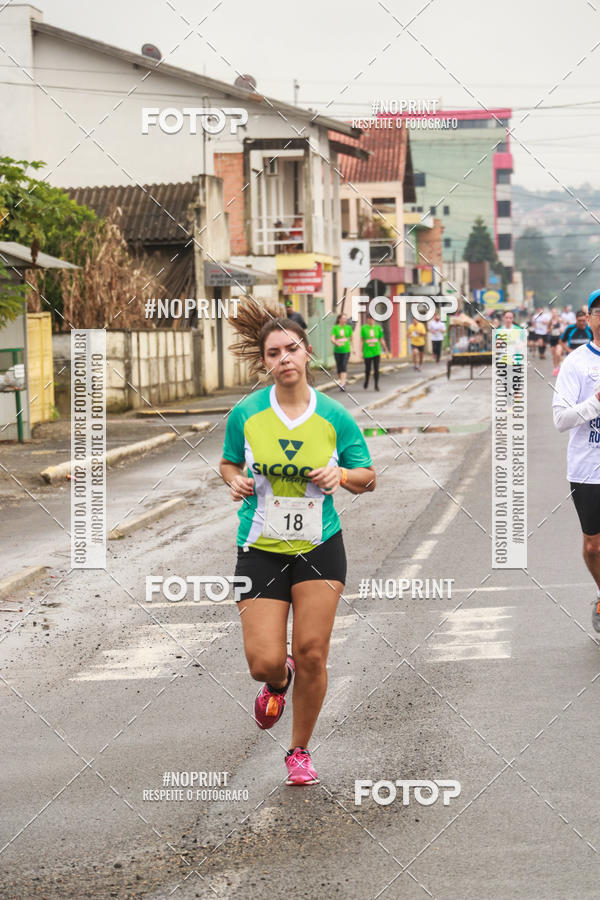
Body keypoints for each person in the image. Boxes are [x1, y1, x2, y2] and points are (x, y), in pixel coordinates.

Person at [220, 300, 376, 785]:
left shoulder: (334, 416)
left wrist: (341, 475)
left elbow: (369, 477)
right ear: (263, 362)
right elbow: (228, 462)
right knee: (262, 661)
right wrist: (234, 480)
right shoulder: (246, 414)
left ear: (308, 352)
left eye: (291, 349)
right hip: (260, 547)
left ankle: (299, 751)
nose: (284, 358)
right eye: (274, 353)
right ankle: (277, 680)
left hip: (319, 545)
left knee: (312, 652)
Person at [553, 289, 600, 631]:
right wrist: (596, 402)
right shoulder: (576, 363)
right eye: (599, 311)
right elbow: (560, 420)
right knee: (594, 547)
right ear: (590, 319)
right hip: (587, 470)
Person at [360, 314, 389, 390]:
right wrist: (361, 352)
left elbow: (381, 339)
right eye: (369, 319)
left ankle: (376, 385)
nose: (371, 320)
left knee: (376, 368)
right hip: (367, 352)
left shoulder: (378, 328)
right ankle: (366, 380)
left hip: (376, 351)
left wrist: (386, 350)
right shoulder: (364, 328)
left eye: (372, 319)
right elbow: (362, 341)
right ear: (367, 320)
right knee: (368, 368)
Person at [330, 312, 353, 390]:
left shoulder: (348, 328)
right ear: (339, 319)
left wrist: (353, 348)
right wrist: (336, 343)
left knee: (343, 365)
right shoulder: (335, 328)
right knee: (339, 367)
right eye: (343, 318)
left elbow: (351, 338)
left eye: (345, 318)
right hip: (337, 351)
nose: (344, 320)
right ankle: (342, 381)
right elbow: (332, 338)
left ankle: (343, 384)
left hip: (346, 350)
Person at [548, 308, 563, 375]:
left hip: (559, 339)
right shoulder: (550, 321)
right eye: (553, 312)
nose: (554, 313)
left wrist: (561, 330)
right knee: (554, 355)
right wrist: (550, 329)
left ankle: (560, 365)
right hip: (552, 339)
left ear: (557, 313)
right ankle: (555, 368)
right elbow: (547, 331)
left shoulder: (560, 320)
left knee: (558, 353)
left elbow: (564, 329)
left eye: (555, 312)